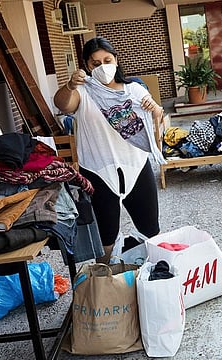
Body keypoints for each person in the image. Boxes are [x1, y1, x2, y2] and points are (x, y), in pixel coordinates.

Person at [54, 36, 166, 264]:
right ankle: (108, 283)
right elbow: (62, 104)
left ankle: (155, 276)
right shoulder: (83, 93)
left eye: (107, 59)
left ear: (116, 60)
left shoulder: (134, 90)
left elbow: (157, 118)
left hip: (136, 166)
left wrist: (155, 110)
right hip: (97, 172)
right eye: (96, 63)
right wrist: (70, 85)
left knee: (151, 229)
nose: (103, 66)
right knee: (106, 236)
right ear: (87, 65)